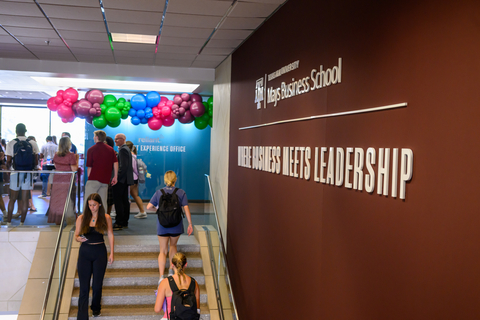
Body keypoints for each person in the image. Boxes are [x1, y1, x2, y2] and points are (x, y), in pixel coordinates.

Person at [147, 171, 193, 281]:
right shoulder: (181, 192)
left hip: (162, 225)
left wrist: (158, 210)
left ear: (164, 180)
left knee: (162, 250)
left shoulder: (159, 192)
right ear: (175, 180)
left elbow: (149, 207)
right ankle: (172, 272)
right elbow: (186, 208)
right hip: (176, 225)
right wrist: (190, 224)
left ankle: (161, 277)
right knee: (173, 246)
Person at [75, 193, 114, 319]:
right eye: (90, 205)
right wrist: (78, 238)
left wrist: (112, 253)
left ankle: (96, 308)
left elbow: (110, 234)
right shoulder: (82, 218)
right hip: (85, 252)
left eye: (94, 205)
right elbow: (76, 235)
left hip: (99, 252)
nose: (92, 207)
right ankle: (82, 316)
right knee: (84, 287)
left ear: (99, 204)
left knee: (97, 285)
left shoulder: (106, 217)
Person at [2, 123, 39, 226]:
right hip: (28, 173)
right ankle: (22, 222)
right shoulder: (32, 143)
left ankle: (9, 222)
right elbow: (36, 161)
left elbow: (8, 161)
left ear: (16, 131)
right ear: (25, 130)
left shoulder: (11, 143)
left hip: (15, 173)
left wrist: (8, 170)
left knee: (12, 199)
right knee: (25, 198)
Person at [154, 252, 200, 320]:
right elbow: (197, 308)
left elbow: (157, 309)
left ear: (172, 265)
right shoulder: (194, 283)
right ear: (186, 264)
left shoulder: (164, 283)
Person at [47, 137, 78, 225]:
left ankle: (57, 220)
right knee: (68, 200)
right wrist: (77, 161)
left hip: (57, 179)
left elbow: (56, 167)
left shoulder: (56, 154)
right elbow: (73, 169)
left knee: (57, 200)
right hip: (68, 180)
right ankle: (69, 220)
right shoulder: (71, 155)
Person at [84, 130, 118, 210]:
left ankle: (87, 220)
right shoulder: (110, 149)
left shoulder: (91, 149)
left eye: (94, 136)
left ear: (97, 137)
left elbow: (89, 166)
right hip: (105, 179)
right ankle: (103, 221)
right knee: (103, 202)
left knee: (89, 201)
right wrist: (115, 176)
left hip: (93, 179)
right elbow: (115, 163)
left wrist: (89, 178)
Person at [112, 133, 133, 230]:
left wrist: (116, 177)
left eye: (117, 139)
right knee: (124, 201)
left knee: (119, 201)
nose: (115, 140)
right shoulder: (125, 149)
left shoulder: (123, 149)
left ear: (123, 139)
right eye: (115, 139)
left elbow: (123, 167)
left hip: (121, 180)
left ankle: (119, 222)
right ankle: (124, 221)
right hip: (125, 180)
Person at [125, 141, 147, 219]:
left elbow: (131, 168)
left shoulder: (129, 156)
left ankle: (122, 212)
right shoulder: (134, 155)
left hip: (130, 179)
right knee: (135, 195)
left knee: (125, 196)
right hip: (135, 179)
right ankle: (142, 212)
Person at [105, 136, 116, 218]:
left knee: (109, 200)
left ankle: (107, 217)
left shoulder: (114, 154)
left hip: (110, 179)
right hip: (106, 179)